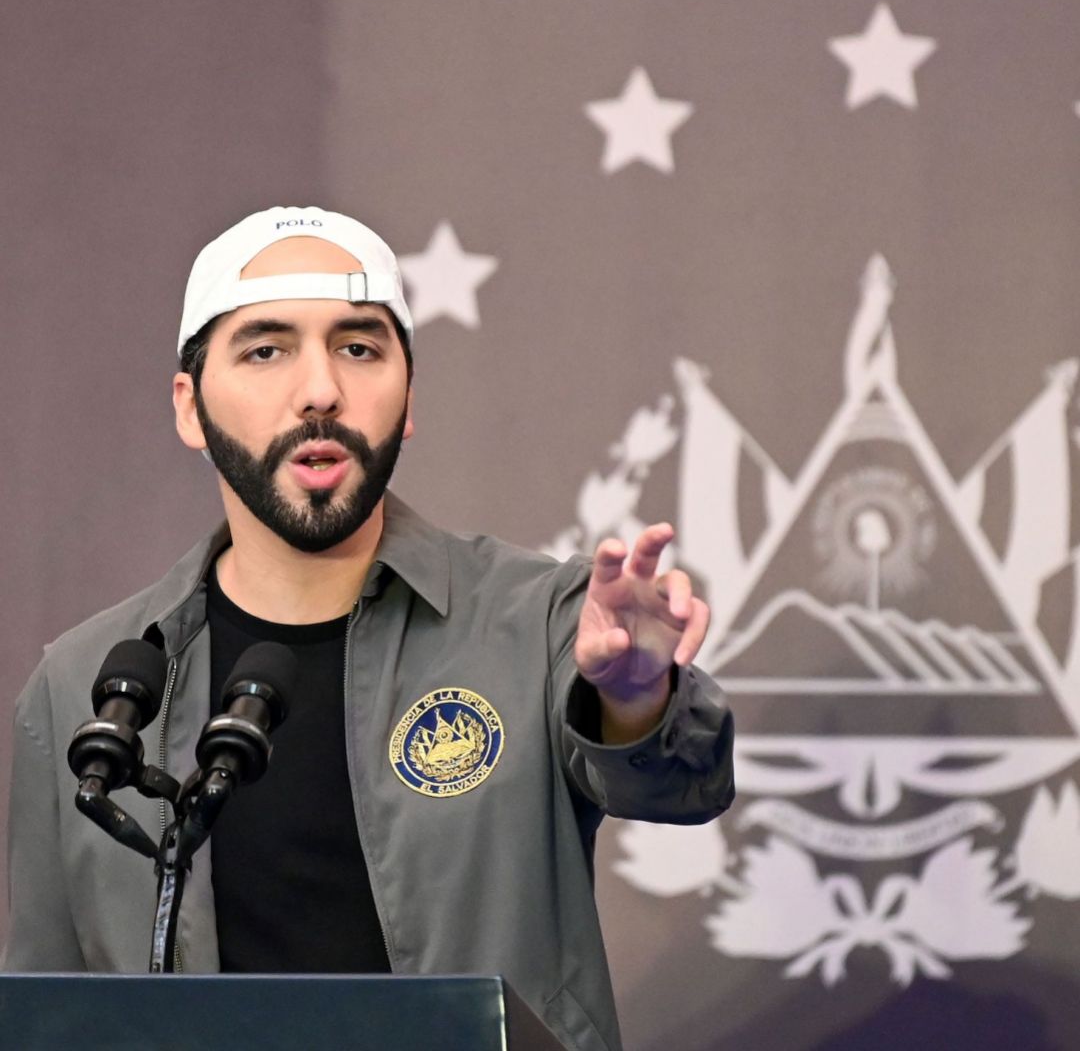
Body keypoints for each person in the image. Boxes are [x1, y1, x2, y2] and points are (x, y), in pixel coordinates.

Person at [3, 206, 734, 1051]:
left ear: (409, 398)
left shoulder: (538, 619)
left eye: (359, 348)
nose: (320, 390)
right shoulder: (82, 685)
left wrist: (637, 696)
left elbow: (678, 784)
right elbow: (41, 1011)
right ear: (189, 407)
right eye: (266, 349)